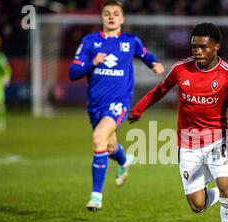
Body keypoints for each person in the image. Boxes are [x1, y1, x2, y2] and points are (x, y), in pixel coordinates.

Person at [128, 23, 228, 222]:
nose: (197, 51)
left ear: (216, 47)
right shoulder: (181, 69)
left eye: (203, 47)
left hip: (219, 140)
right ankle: (221, 195)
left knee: (227, 185)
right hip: (188, 145)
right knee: (198, 205)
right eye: (194, 46)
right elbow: (160, 89)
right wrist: (138, 110)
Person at [69, 0, 165, 211]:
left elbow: (145, 55)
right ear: (101, 18)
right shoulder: (89, 42)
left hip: (119, 103)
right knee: (109, 146)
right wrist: (92, 63)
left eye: (115, 13)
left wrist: (154, 64)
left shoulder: (130, 41)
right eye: (107, 13)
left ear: (122, 18)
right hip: (95, 105)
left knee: (98, 138)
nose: (111, 17)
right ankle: (124, 161)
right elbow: (73, 73)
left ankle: (96, 196)